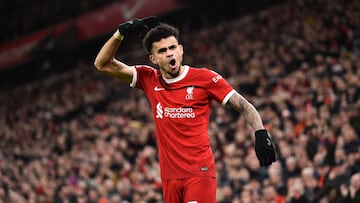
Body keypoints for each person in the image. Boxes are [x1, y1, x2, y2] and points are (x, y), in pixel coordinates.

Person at [94, 16, 276, 203]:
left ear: (181, 50)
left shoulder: (204, 78)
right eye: (162, 51)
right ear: (153, 58)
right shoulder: (148, 79)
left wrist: (261, 133)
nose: (169, 54)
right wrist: (120, 33)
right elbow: (103, 64)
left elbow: (245, 106)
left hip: (199, 172)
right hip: (169, 177)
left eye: (173, 48)